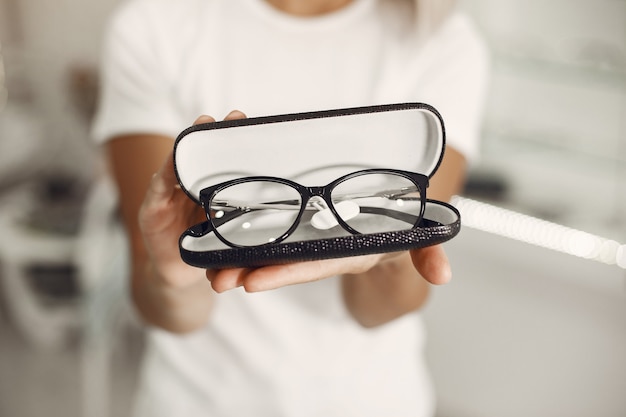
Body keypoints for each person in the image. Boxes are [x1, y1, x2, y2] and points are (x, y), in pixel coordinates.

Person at [92, 0, 489, 415]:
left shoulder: (442, 39)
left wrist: (389, 258)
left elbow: (381, 308)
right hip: (196, 400)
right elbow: (162, 302)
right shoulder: (154, 25)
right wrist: (173, 279)